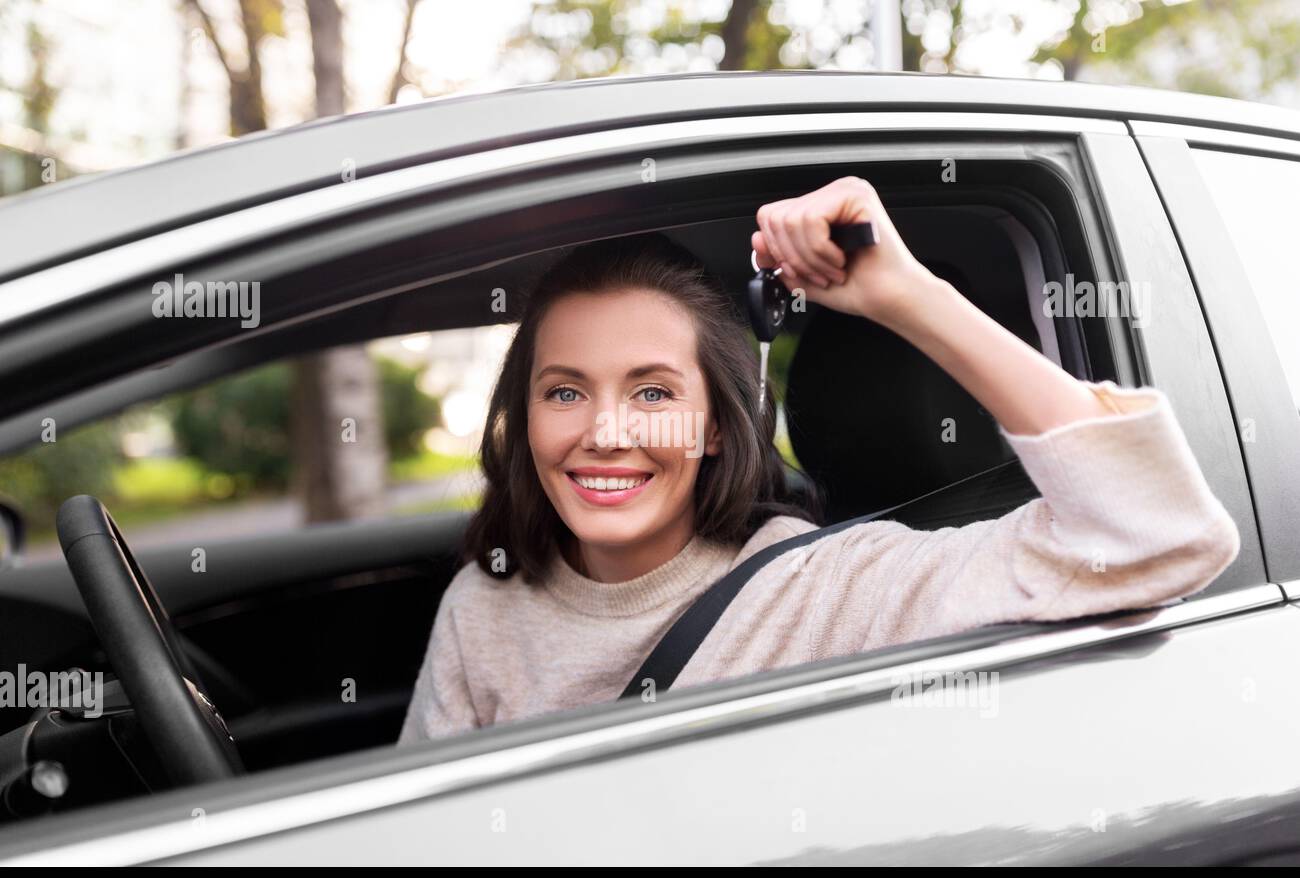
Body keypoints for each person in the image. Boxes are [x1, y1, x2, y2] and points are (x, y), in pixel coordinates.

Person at [398, 176, 1239, 744]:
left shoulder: (826, 586)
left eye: (653, 394)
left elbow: (1158, 536)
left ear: (721, 426)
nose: (605, 431)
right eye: (565, 391)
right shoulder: (484, 608)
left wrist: (907, 296)